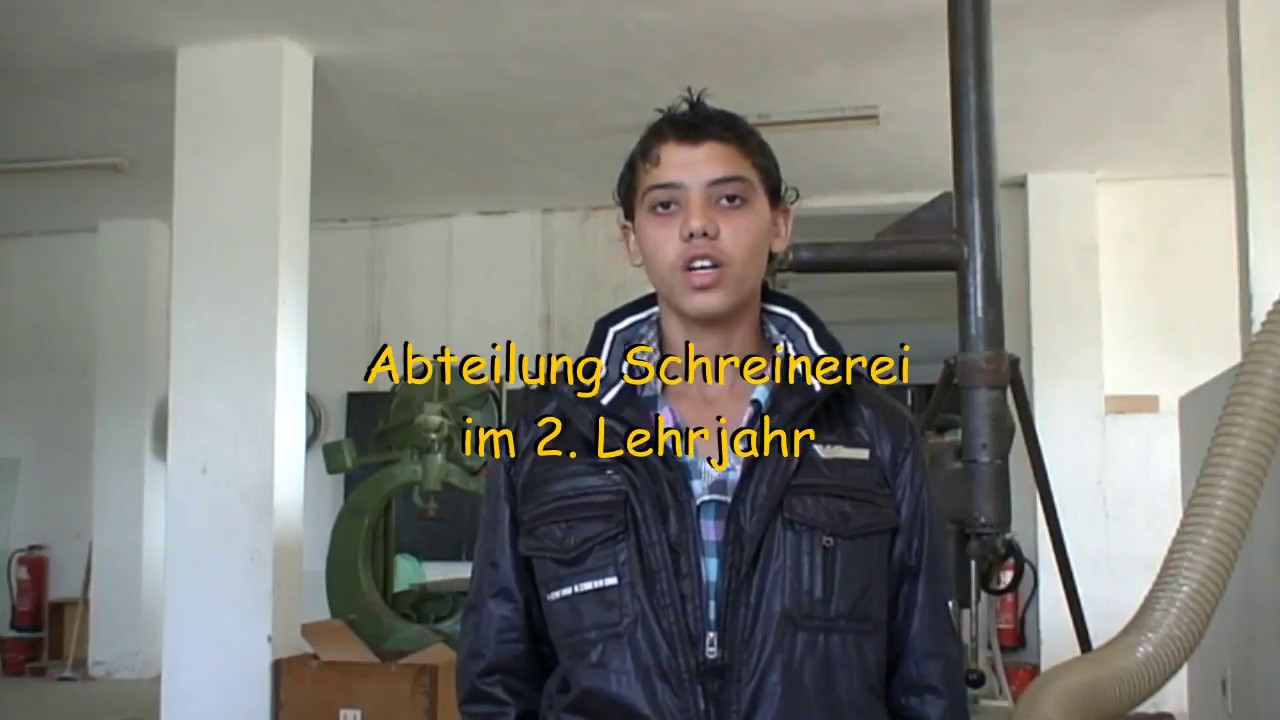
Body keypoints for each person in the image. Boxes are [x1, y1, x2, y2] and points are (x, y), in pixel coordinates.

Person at [456, 88, 967, 719]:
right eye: (665, 205)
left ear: (779, 225)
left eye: (729, 199)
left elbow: (927, 682)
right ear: (632, 239)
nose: (698, 225)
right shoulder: (545, 436)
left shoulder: (874, 432)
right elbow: (497, 683)